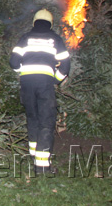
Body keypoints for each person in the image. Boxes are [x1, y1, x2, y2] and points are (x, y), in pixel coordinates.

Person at [9, 9, 70, 175]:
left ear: (34, 22)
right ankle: (42, 167)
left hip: (27, 84)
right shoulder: (55, 39)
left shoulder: (25, 38)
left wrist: (24, 72)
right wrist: (54, 80)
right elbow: (65, 67)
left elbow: (13, 62)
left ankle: (34, 156)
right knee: (46, 121)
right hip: (45, 84)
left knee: (33, 118)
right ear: (50, 23)